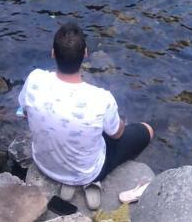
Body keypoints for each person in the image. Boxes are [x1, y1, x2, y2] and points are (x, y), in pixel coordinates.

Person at [18, 22, 154, 210]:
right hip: (87, 172)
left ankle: (71, 180)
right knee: (146, 130)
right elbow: (117, 134)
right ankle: (90, 180)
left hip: (44, 163)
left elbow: (25, 112)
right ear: (85, 54)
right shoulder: (101, 98)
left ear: (52, 53)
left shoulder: (35, 79)